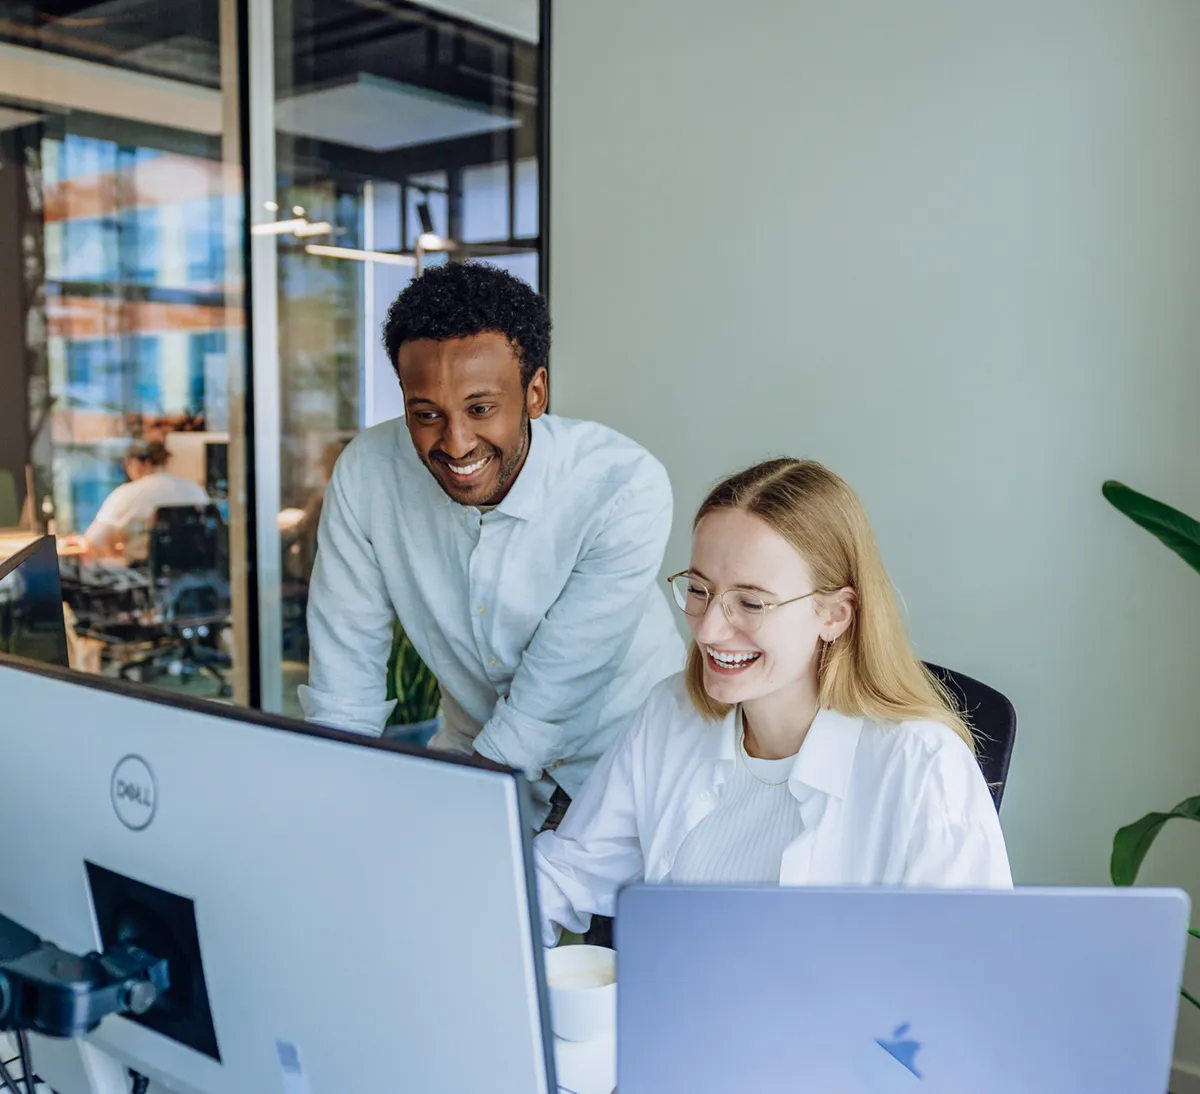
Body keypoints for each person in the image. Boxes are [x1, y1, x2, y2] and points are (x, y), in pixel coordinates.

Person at [534, 458, 1011, 944]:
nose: (709, 628)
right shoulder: (670, 713)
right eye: (699, 589)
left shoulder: (923, 767)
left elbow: (967, 977)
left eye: (751, 602)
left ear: (835, 615)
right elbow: (566, 875)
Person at [300, 262, 684, 828]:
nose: (455, 443)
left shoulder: (623, 486)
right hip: (475, 751)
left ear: (535, 392)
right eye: (425, 414)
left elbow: (555, 687)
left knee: (625, 922)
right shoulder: (368, 475)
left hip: (633, 765)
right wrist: (330, 811)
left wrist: (470, 814)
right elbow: (345, 675)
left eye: (480, 409)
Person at [81, 440, 209, 564]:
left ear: (138, 464)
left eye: (127, 465)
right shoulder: (197, 490)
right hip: (195, 578)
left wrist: (118, 557)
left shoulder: (128, 494)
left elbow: (94, 540)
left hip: (143, 577)